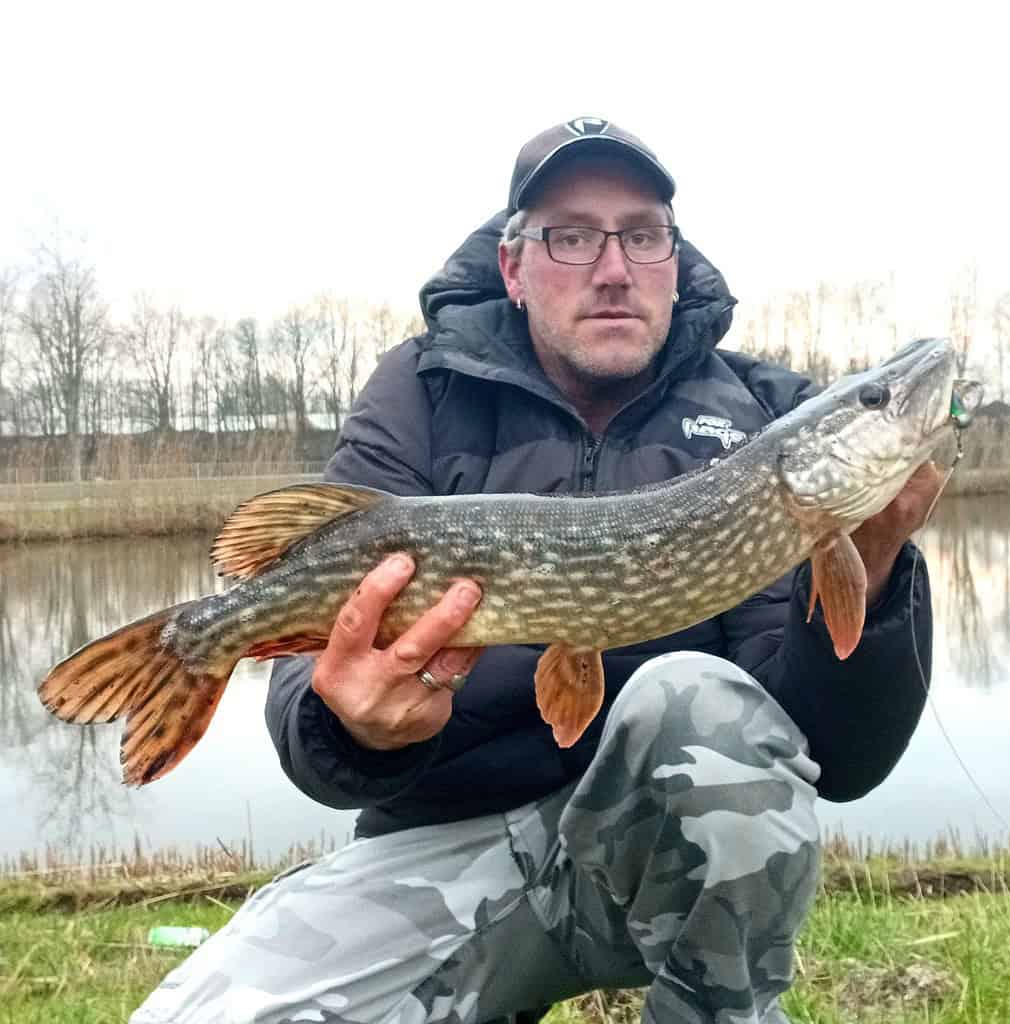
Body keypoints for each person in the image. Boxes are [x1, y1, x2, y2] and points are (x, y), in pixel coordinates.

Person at [132, 118, 941, 1024]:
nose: (613, 267)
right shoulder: (418, 394)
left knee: (700, 701)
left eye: (643, 234)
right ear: (513, 269)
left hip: (659, 851)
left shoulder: (760, 421)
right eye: (571, 235)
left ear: (673, 259)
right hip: (444, 850)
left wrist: (871, 575)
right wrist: (359, 726)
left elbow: (825, 751)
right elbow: (305, 711)